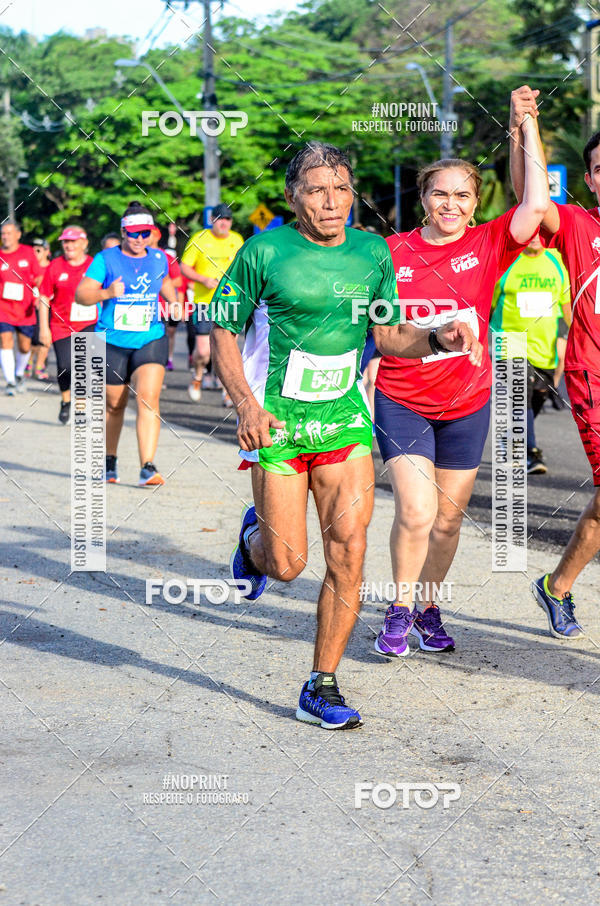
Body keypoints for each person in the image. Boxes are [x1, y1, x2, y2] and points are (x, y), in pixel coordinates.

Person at [210, 141, 481, 730]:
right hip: (278, 422)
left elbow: (388, 336)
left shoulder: (371, 251)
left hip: (344, 419)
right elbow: (223, 328)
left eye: (340, 189)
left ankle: (321, 684)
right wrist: (246, 406)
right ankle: (254, 540)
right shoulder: (263, 251)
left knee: (349, 551)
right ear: (293, 197)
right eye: (316, 191)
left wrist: (438, 338)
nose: (331, 202)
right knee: (286, 564)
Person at [372, 86, 549, 659]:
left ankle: (428, 608)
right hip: (403, 399)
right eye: (440, 194)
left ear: (475, 203)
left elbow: (536, 203)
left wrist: (525, 123)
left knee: (447, 522)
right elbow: (383, 335)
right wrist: (435, 338)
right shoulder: (390, 252)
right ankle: (398, 610)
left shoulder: (489, 242)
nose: (450, 204)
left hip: (467, 403)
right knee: (417, 512)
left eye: (462, 195)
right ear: (424, 198)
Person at [511, 100, 600, 639]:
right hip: (594, 377)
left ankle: (556, 587)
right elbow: (533, 196)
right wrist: (527, 124)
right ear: (589, 180)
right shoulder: (577, 225)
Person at [75, 201, 179, 487]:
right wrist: (106, 292)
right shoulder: (106, 259)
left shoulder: (158, 258)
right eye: (134, 233)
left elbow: (164, 282)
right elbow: (81, 295)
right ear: (123, 232)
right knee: (114, 405)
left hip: (150, 337)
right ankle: (110, 460)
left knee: (148, 398)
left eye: (145, 233)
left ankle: (148, 466)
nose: (139, 239)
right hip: (111, 341)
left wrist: (174, 302)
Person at [490, 232, 571, 475]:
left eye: (540, 231)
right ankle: (530, 452)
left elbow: (567, 307)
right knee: (520, 395)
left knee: (537, 399)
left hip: (544, 347)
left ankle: (510, 437)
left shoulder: (556, 261)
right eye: (530, 231)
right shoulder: (506, 260)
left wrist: (577, 338)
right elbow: (488, 303)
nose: (535, 236)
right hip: (510, 340)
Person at [181, 203, 243, 403]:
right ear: (211, 220)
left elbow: (243, 268)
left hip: (229, 303)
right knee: (203, 351)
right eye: (219, 218)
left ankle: (227, 390)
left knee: (227, 350)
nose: (223, 222)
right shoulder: (199, 238)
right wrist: (203, 280)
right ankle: (198, 376)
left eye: (227, 219)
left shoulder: (237, 240)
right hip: (204, 303)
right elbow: (184, 267)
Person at [38, 226, 95, 425]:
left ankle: (81, 408)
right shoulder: (55, 266)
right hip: (60, 325)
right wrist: (43, 328)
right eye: (65, 242)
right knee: (65, 366)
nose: (68, 245)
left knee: (83, 364)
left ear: (84, 243)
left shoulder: (94, 264)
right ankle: (65, 401)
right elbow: (44, 297)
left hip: (89, 322)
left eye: (73, 241)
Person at [0, 221, 43, 395]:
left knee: (25, 346)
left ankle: (18, 374)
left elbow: (39, 276)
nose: (5, 236)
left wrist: (39, 294)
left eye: (9, 233)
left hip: (26, 309)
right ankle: (10, 381)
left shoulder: (27, 252)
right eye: (3, 233)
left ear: (18, 235)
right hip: (3, 308)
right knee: (5, 341)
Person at [147, 224, 183, 371]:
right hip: (143, 305)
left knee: (167, 333)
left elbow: (178, 281)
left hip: (164, 305)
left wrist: (157, 285)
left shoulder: (166, 258)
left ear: (156, 236)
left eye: (148, 234)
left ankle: (168, 359)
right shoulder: (136, 256)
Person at [28, 238, 52, 380]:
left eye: (38, 250)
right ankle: (30, 361)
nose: (35, 253)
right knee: (33, 339)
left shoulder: (52, 267)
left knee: (46, 337)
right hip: (31, 307)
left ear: (47, 251)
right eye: (33, 250)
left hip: (50, 307)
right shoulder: (29, 267)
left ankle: (39, 366)